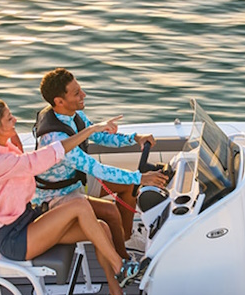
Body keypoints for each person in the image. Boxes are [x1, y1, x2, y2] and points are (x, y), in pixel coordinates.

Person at [0, 98, 146, 295]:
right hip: (15, 238)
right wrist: (89, 131)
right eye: (9, 118)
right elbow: (42, 158)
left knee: (102, 228)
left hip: (28, 219)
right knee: (79, 204)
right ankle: (119, 267)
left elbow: (22, 157)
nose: (15, 120)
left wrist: (11, 136)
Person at [31, 68, 168, 258]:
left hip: (77, 181)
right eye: (76, 93)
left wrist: (135, 138)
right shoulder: (55, 139)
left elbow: (100, 137)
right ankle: (123, 259)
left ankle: (126, 239)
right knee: (110, 210)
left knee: (129, 186)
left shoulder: (74, 115)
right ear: (59, 101)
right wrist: (141, 178)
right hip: (56, 196)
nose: (84, 95)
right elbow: (97, 169)